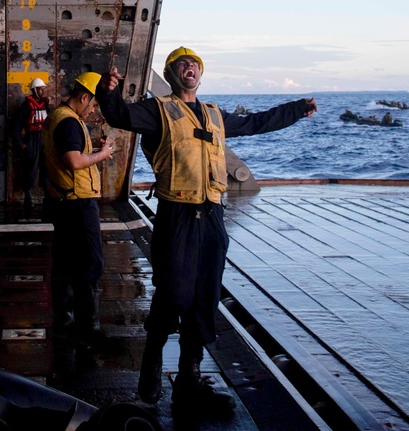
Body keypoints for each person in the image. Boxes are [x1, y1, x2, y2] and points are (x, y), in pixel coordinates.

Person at [97, 47, 318, 415]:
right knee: (173, 293)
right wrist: (109, 90)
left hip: (212, 217)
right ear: (171, 75)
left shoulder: (215, 114)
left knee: (205, 298)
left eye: (194, 64)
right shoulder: (158, 111)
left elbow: (257, 123)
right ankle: (151, 368)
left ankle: (189, 380)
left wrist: (296, 109)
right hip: (177, 215)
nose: (190, 67)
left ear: (201, 74)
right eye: (182, 64)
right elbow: (118, 113)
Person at [43, 72, 114, 358]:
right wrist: (103, 153)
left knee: (64, 265)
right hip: (78, 202)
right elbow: (73, 161)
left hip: (63, 200)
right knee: (89, 266)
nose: (93, 110)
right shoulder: (70, 122)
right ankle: (89, 331)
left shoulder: (57, 116)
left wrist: (93, 150)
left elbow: (67, 154)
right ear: (84, 97)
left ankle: (64, 325)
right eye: (93, 105)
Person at [15, 77, 50, 209]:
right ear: (34, 90)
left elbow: (52, 118)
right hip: (32, 139)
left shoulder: (46, 104)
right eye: (40, 88)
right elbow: (17, 125)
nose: (42, 91)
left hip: (44, 138)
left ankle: (47, 194)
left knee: (46, 167)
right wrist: (20, 142)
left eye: (43, 88)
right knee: (31, 168)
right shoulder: (26, 105)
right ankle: (27, 195)